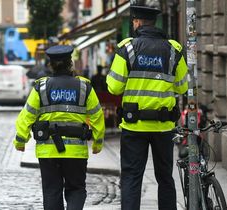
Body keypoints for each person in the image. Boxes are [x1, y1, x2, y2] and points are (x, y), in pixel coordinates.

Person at [106, 5, 188, 210]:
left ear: (137, 22)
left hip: (134, 127)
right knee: (165, 178)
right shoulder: (173, 49)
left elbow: (114, 87)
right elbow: (183, 86)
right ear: (154, 23)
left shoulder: (127, 48)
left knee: (132, 177)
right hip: (163, 127)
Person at [14, 45, 105, 210]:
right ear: (71, 63)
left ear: (50, 65)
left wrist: (20, 141)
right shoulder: (84, 87)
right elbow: (97, 116)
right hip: (76, 152)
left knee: (51, 191)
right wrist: (98, 142)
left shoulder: (41, 88)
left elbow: (26, 116)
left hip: (48, 152)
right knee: (76, 189)